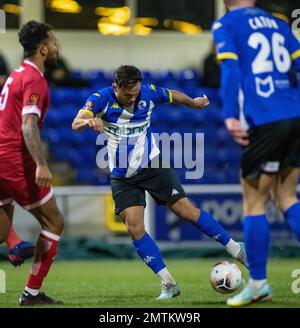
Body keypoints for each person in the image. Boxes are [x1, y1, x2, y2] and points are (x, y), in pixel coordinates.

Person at [72, 65, 247, 300]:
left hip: (153, 166)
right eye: (128, 94)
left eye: (136, 92)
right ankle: (169, 284)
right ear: (116, 87)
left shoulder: (148, 92)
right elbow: (76, 121)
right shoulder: (100, 98)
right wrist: (89, 122)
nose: (133, 97)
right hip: (123, 176)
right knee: (134, 228)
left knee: (186, 211)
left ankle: (236, 248)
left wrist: (193, 103)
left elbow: (174, 95)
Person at [213, 0, 300, 306]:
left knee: (254, 203)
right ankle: (259, 283)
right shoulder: (278, 22)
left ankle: (259, 283)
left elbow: (231, 68)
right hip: (295, 116)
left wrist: (229, 114)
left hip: (265, 118)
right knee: (286, 196)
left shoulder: (226, 25)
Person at [0, 20, 65, 306]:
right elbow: (28, 126)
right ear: (42, 48)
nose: (56, 47)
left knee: (2, 233)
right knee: (54, 221)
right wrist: (41, 163)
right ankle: (32, 294)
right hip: (13, 158)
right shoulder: (34, 79)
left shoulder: (16, 74)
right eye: (53, 42)